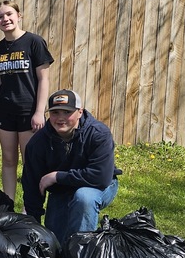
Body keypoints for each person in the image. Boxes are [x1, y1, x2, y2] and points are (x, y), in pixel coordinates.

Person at [21, 89, 120, 243]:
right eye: (55, 113)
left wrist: (57, 176)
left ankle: (81, 253)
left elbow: (100, 177)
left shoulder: (98, 134)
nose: (60, 118)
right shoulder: (38, 143)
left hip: (98, 186)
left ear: (80, 112)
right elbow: (32, 185)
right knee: (55, 241)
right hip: (62, 189)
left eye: (67, 112)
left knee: (84, 198)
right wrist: (34, 226)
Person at [0, 0, 53, 200]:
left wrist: (39, 111)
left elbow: (43, 79)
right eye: (0, 17)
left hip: (29, 112)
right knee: (8, 160)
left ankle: (30, 204)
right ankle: (8, 203)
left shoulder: (34, 42)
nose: (5, 19)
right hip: (5, 112)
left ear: (19, 16)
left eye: (9, 14)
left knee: (30, 161)